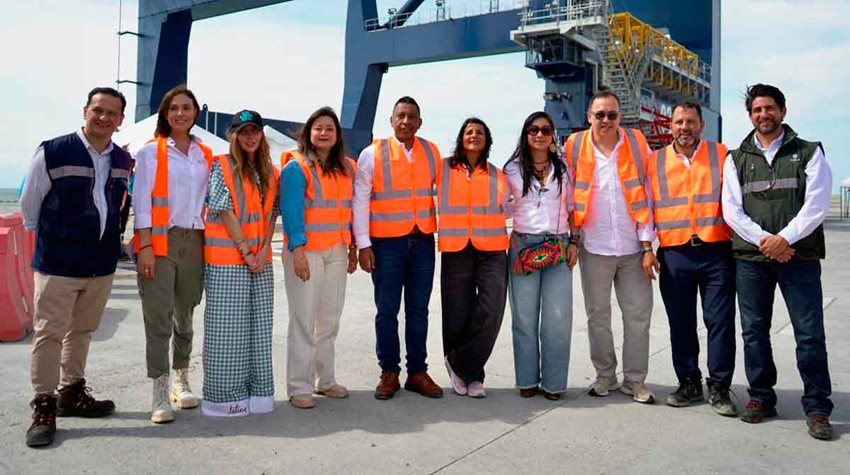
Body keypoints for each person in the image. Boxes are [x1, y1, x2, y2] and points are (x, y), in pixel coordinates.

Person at [20, 87, 131, 447]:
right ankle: (44, 404)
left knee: (82, 330)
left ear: (120, 120)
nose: (104, 117)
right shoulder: (53, 151)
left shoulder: (122, 159)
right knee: (49, 333)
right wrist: (54, 240)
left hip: (100, 263)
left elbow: (119, 205)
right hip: (58, 262)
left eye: (112, 113)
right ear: (85, 111)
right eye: (98, 110)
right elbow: (30, 202)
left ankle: (71, 391)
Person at [721, 84, 834, 440]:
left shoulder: (809, 152)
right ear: (750, 115)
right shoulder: (736, 158)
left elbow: (816, 205)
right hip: (752, 260)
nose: (763, 115)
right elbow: (731, 210)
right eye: (757, 110)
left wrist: (784, 239)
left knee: (809, 334)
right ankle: (761, 397)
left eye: (769, 108)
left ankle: (817, 407)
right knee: (754, 331)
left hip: (798, 256)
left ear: (783, 111)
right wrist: (767, 242)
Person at [564, 90, 656, 404]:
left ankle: (635, 380)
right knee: (598, 316)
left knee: (638, 317)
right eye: (600, 114)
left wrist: (648, 246)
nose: (606, 120)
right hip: (594, 246)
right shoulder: (574, 145)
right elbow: (567, 194)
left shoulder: (637, 143)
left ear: (620, 117)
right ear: (589, 116)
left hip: (633, 247)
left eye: (612, 115)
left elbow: (647, 192)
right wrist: (572, 239)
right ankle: (605, 375)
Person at [646, 102, 736, 416]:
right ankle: (689, 382)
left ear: (701, 125)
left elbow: (734, 200)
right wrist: (646, 248)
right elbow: (647, 205)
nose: (684, 127)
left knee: (720, 322)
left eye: (690, 122)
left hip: (716, 250)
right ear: (670, 126)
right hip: (674, 252)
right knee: (681, 323)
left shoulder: (721, 154)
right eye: (679, 122)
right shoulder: (655, 160)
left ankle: (720, 387)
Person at [352, 96, 444, 400]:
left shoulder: (431, 151)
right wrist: (363, 244)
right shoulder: (372, 153)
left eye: (411, 116)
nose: (406, 121)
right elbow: (360, 199)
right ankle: (389, 371)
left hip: (422, 241)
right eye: (400, 116)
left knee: (419, 310)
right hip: (386, 243)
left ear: (420, 122)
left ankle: (417, 371)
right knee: (387, 310)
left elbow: (448, 189)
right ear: (391, 121)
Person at [133, 85, 214, 423]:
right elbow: (141, 202)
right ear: (165, 114)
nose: (180, 113)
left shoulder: (205, 153)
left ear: (196, 113)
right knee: (158, 318)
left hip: (195, 241)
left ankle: (181, 378)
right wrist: (145, 247)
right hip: (159, 241)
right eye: (174, 108)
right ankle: (160, 388)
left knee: (186, 313)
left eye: (186, 108)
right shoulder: (150, 152)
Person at [201, 110, 279, 416]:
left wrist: (263, 250)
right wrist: (246, 250)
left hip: (260, 260)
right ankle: (225, 399)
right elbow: (224, 209)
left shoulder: (270, 171)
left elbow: (272, 213)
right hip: (227, 260)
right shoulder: (221, 165)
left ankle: (259, 395)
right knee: (228, 332)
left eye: (254, 131)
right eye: (243, 131)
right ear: (233, 135)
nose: (250, 137)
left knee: (260, 329)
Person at [281, 107, 358, 409]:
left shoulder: (347, 168)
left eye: (330, 128)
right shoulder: (296, 167)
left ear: (338, 135)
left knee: (329, 320)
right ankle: (298, 386)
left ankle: (324, 380)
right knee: (303, 319)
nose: (324, 133)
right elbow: (291, 212)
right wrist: (298, 251)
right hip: (306, 252)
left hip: (337, 250)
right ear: (308, 133)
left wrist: (352, 248)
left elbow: (350, 210)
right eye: (318, 128)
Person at [505, 112, 577, 400]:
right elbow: (500, 205)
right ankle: (526, 380)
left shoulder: (564, 168)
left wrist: (575, 242)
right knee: (523, 318)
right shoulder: (511, 170)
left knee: (558, 318)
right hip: (524, 246)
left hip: (558, 247)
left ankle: (554, 383)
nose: (539, 134)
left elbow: (572, 207)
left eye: (545, 130)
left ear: (552, 135)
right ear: (526, 134)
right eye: (533, 129)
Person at [437, 118, 509, 398]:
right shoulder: (443, 168)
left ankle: (461, 364)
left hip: (492, 249)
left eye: (480, 132)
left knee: (492, 308)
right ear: (461, 137)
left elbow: (512, 207)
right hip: (456, 247)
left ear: (487, 139)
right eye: (469, 131)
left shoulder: (498, 175)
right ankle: (472, 375)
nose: (474, 135)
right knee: (457, 311)